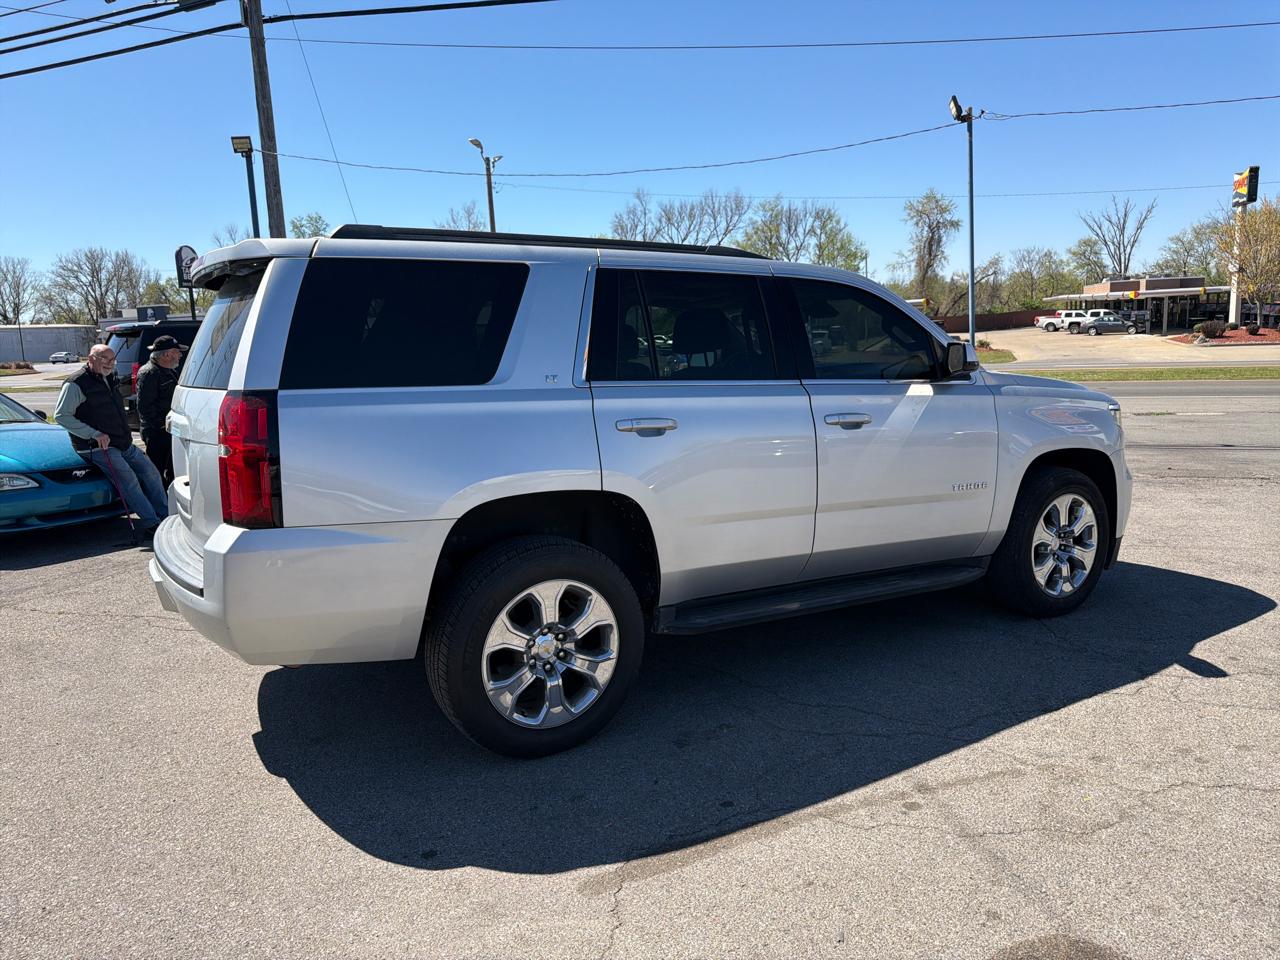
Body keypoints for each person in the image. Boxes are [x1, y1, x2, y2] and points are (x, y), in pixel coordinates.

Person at [54, 343, 168, 540]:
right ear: (91, 359)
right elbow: (62, 416)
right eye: (105, 359)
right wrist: (93, 433)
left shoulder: (110, 376)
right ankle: (152, 524)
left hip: (122, 441)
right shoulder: (75, 383)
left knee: (151, 472)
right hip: (97, 446)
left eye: (112, 359)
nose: (110, 363)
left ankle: (166, 518)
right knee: (129, 480)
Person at [136, 334, 187, 486]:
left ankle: (171, 501)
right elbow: (145, 408)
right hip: (157, 433)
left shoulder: (170, 370)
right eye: (177, 352)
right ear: (166, 355)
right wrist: (162, 425)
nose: (180, 355)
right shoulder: (149, 373)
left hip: (171, 431)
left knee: (174, 469)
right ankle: (158, 505)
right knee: (155, 472)